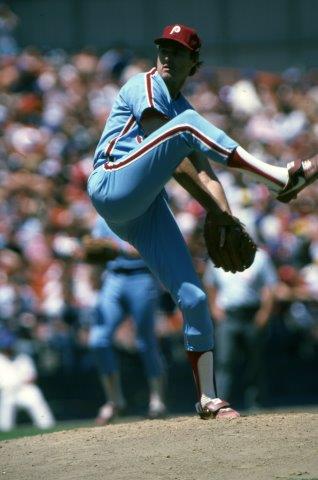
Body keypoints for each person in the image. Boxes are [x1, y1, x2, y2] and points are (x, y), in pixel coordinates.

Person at [87, 24, 318, 420]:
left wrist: (224, 216)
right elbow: (175, 154)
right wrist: (225, 201)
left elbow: (205, 172)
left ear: (194, 64)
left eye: (177, 52)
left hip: (141, 211)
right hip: (110, 181)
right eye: (163, 48)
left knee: (193, 298)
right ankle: (278, 178)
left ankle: (208, 399)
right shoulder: (143, 86)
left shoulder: (183, 114)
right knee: (188, 126)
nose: (166, 57)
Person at [84, 215, 166, 424]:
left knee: (145, 341)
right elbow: (96, 252)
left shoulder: (142, 211)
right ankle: (114, 401)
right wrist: (93, 272)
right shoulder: (103, 217)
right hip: (113, 277)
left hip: (142, 275)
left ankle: (157, 399)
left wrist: (116, 248)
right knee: (98, 340)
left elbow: (145, 248)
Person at [204, 248, 277, 409]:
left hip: (252, 314)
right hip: (228, 316)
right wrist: (215, 308)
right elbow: (210, 284)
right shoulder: (216, 257)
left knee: (254, 361)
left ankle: (256, 403)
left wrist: (264, 312)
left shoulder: (260, 257)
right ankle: (221, 403)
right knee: (224, 361)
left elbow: (270, 286)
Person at [0, 329, 55, 431]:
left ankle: (48, 427)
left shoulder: (23, 357)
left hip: (25, 390)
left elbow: (32, 377)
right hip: (7, 392)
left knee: (35, 394)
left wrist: (19, 382)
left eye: (9, 345)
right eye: (6, 346)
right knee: (4, 426)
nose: (8, 348)